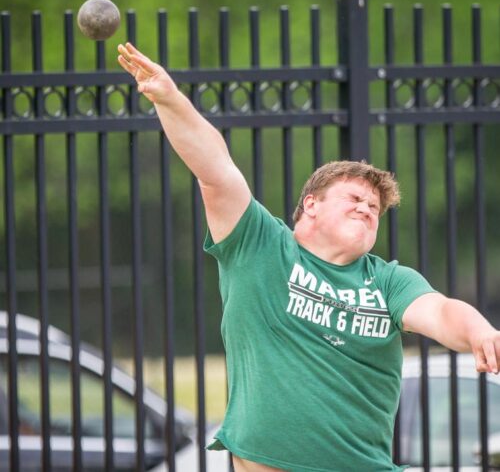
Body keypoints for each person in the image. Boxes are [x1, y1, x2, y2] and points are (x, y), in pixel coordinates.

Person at [117, 42, 500, 472]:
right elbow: (216, 173)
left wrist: (479, 330)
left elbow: (442, 312)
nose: (367, 209)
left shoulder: (388, 280)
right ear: (312, 204)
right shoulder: (261, 247)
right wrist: (170, 100)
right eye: (355, 198)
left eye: (375, 208)